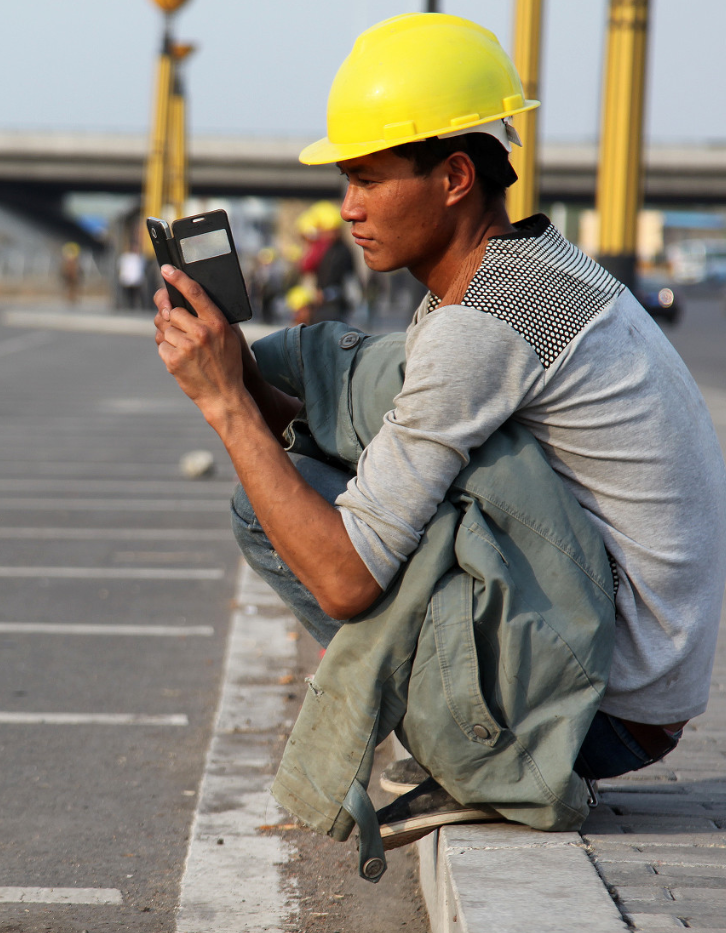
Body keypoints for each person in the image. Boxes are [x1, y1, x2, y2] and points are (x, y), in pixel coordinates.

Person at [154, 13, 726, 850]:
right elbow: (354, 443)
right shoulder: (526, 272)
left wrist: (227, 408)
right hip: (637, 677)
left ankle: (483, 753)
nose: (346, 208)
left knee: (264, 502)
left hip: (601, 706)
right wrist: (236, 374)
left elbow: (346, 581)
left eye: (368, 179)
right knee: (334, 423)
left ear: (455, 175)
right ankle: (473, 726)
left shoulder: (481, 323)